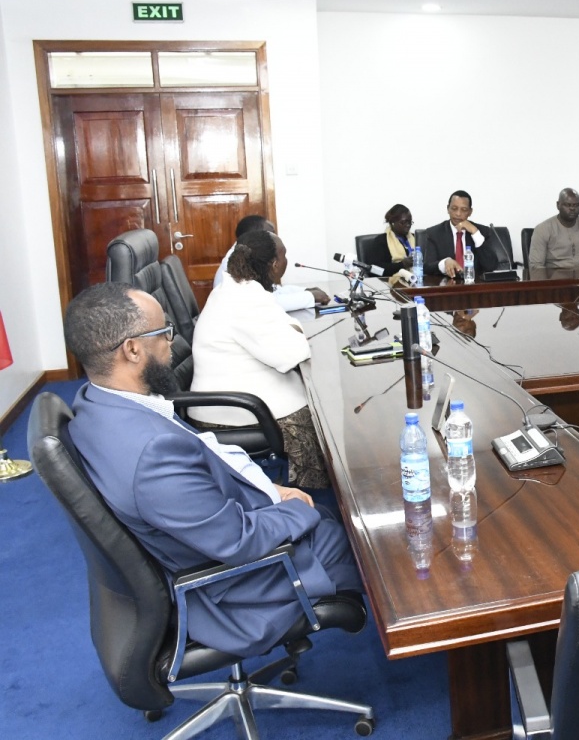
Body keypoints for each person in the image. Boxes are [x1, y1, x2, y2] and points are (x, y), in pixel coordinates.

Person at [63, 281, 361, 658]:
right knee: (370, 550)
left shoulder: (97, 402)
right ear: (132, 349)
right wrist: (297, 509)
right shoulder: (152, 453)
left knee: (335, 515)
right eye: (164, 332)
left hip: (216, 528)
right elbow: (239, 542)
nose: (172, 342)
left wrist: (270, 490)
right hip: (240, 588)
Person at [189, 230, 330, 489]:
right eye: (284, 256)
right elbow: (294, 353)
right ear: (274, 264)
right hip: (231, 412)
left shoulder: (238, 289)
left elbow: (288, 329)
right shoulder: (244, 299)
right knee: (319, 417)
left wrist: (292, 330)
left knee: (318, 402)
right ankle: (314, 493)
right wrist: (295, 331)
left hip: (233, 399)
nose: (286, 262)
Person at [214, 215, 329, 310]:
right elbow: (264, 304)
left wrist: (304, 291)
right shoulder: (236, 263)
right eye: (270, 234)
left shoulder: (247, 253)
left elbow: (273, 291)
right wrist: (309, 296)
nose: (275, 237)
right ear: (256, 237)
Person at [423, 190, 502, 278]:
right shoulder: (434, 233)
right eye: (454, 208)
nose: (458, 214)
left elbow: (491, 266)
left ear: (470, 212)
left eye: (464, 210)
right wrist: (444, 263)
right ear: (448, 209)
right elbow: (427, 267)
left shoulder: (482, 231)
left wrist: (475, 232)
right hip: (447, 284)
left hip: (475, 284)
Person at [527, 188, 579, 269]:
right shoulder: (543, 229)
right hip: (555, 275)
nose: (572, 208)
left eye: (576, 205)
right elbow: (536, 266)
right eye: (568, 205)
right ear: (558, 205)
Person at [361, 203, 416, 279]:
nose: (408, 225)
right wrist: (402, 265)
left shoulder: (415, 238)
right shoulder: (381, 241)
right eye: (403, 222)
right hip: (391, 282)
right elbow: (375, 270)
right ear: (393, 223)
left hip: (417, 279)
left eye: (410, 222)